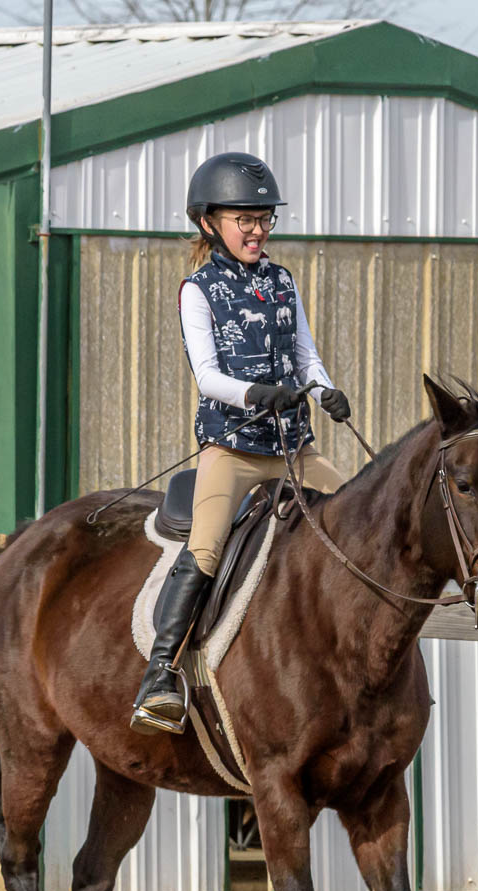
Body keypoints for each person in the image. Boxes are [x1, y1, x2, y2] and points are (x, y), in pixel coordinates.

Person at [129, 151, 355, 735]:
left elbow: (306, 355)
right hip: (231, 451)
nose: (257, 230)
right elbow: (207, 377)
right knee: (205, 548)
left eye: (264, 219)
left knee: (357, 523)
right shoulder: (198, 290)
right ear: (209, 222)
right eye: (245, 220)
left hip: (294, 449)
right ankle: (160, 675)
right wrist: (257, 393)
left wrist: (325, 391)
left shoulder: (282, 281)